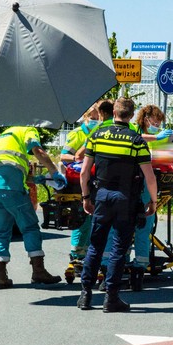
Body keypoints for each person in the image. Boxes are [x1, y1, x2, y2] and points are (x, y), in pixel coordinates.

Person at [77, 98, 158, 313]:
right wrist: (153, 201)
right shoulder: (136, 140)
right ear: (132, 116)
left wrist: (86, 198)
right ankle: (111, 297)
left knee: (95, 246)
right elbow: (149, 177)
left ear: (113, 112)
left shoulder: (96, 136)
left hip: (101, 196)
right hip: (126, 198)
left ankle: (85, 294)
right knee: (119, 249)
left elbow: (84, 173)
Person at [100, 103, 173, 292]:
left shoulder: (115, 133)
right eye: (156, 121)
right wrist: (152, 200)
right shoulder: (133, 131)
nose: (158, 125)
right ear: (145, 118)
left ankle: (132, 272)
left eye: (160, 122)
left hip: (124, 188)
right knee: (124, 231)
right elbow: (140, 143)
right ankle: (116, 271)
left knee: (136, 231)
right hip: (138, 187)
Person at [0, 126, 66, 289]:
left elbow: (8, 166)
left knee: (1, 232)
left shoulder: (7, 135)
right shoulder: (29, 130)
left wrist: (38, 179)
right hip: (9, 185)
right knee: (29, 227)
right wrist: (54, 172)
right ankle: (38, 271)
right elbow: (37, 151)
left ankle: (0, 276)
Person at [60, 103, 101, 272]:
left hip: (95, 180)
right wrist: (80, 160)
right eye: (92, 118)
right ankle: (76, 256)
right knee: (82, 220)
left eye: (98, 118)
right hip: (79, 181)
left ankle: (89, 255)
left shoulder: (100, 131)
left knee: (94, 221)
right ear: (85, 117)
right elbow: (64, 155)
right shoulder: (77, 134)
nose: (95, 121)